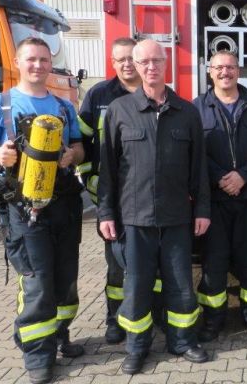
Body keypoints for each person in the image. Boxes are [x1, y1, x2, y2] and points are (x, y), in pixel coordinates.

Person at [0, 37, 85, 384]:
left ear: (51, 65)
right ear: (18, 63)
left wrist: (72, 156)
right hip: (23, 210)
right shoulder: (1, 105)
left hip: (64, 205)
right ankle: (38, 355)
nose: (38, 66)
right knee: (37, 280)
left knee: (65, 279)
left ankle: (59, 334)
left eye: (43, 60)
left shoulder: (64, 107)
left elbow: (80, 147)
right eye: (31, 60)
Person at [98, 39, 210, 375]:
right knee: (136, 285)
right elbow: (108, 169)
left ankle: (182, 340)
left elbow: (199, 168)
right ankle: (137, 347)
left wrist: (202, 208)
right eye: (143, 62)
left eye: (156, 61)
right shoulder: (120, 110)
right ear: (133, 64)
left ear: (166, 64)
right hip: (134, 218)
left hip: (177, 216)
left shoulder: (187, 111)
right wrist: (105, 212)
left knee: (179, 282)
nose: (150, 68)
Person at [193, 50, 247, 341]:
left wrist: (244, 176)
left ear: (238, 71)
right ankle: (214, 319)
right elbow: (196, 152)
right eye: (219, 67)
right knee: (213, 262)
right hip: (214, 200)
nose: (225, 72)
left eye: (230, 67)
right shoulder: (197, 108)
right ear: (209, 72)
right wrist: (220, 178)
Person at [78, 37, 144, 344]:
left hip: (145, 197)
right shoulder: (98, 95)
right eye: (121, 59)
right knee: (117, 265)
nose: (127, 64)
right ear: (113, 62)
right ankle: (114, 320)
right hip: (111, 197)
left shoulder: (155, 92)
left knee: (147, 264)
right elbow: (81, 144)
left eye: (132, 57)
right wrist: (92, 182)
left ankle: (146, 316)